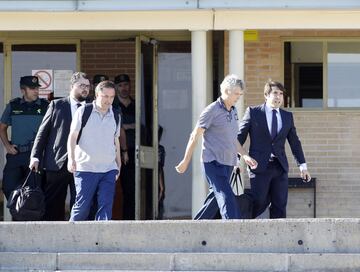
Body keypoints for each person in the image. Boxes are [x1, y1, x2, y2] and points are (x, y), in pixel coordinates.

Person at [175, 74, 257, 219]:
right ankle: (233, 229)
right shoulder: (211, 110)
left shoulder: (233, 111)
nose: (239, 97)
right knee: (227, 196)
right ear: (226, 91)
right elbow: (195, 135)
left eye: (240, 94)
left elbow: (233, 139)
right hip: (213, 162)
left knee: (214, 199)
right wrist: (185, 161)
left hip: (228, 163)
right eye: (236, 94)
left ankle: (195, 229)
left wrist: (245, 155)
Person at [237, 80, 311, 219]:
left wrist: (302, 166)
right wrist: (236, 161)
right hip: (258, 166)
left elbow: (295, 142)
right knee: (259, 201)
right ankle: (242, 226)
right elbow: (239, 137)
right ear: (266, 95)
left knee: (280, 204)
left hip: (280, 166)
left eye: (281, 94)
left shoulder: (287, 116)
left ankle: (280, 238)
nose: (278, 97)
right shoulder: (253, 112)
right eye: (275, 93)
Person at [29, 72, 90, 220]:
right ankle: (52, 240)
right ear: (71, 86)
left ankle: (78, 239)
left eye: (88, 86)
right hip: (58, 162)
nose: (85, 89)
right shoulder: (57, 105)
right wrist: (35, 156)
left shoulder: (92, 108)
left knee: (81, 204)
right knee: (53, 205)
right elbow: (42, 133)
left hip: (83, 163)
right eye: (82, 85)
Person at [67, 80, 121, 221]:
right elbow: (72, 137)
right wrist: (71, 159)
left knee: (105, 206)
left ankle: (102, 240)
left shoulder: (116, 115)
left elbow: (116, 141)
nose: (108, 100)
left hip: (109, 169)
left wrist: (118, 165)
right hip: (85, 168)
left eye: (111, 97)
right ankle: (71, 239)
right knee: (82, 207)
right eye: (105, 96)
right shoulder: (83, 111)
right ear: (97, 95)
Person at [0, 76, 49, 201]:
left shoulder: (46, 106)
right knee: (8, 186)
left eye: (37, 88)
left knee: (33, 191)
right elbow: (2, 128)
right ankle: (17, 215)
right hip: (16, 154)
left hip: (36, 155)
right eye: (32, 88)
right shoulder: (13, 105)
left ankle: (29, 217)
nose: (36, 91)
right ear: (23, 90)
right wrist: (7, 146)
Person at [113, 74, 136, 220]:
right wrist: (128, 126)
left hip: (136, 152)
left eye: (126, 85)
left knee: (132, 190)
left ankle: (130, 220)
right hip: (118, 152)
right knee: (115, 189)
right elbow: (115, 128)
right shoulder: (113, 105)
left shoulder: (136, 104)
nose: (124, 88)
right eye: (120, 85)